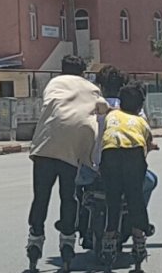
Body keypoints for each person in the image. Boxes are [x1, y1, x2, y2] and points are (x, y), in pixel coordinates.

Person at [26, 55, 108, 266]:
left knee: (41, 197)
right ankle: (67, 243)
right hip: (73, 148)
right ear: (82, 72)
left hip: (45, 144)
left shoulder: (54, 83)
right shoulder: (92, 89)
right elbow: (103, 110)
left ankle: (35, 240)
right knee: (69, 197)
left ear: (62, 70)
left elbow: (50, 103)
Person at [77, 66, 157, 248]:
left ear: (100, 86)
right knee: (148, 183)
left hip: (96, 168)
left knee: (75, 183)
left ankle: (76, 222)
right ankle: (138, 224)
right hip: (129, 165)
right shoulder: (135, 112)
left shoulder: (92, 107)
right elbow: (146, 142)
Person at [100, 82, 153, 261]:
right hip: (133, 155)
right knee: (135, 198)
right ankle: (138, 238)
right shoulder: (141, 121)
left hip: (111, 154)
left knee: (112, 199)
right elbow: (148, 143)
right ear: (140, 106)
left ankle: (109, 239)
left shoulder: (112, 115)